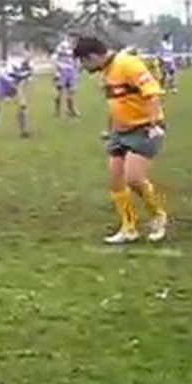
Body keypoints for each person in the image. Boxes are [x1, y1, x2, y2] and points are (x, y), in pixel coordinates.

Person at [73, 36, 168, 243]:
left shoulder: (128, 64)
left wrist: (153, 126)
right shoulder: (106, 71)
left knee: (133, 178)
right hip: (120, 131)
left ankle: (158, 216)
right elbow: (115, 103)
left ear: (93, 56)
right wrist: (110, 129)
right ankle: (129, 227)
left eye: (83, 61)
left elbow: (152, 94)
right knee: (116, 181)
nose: (83, 67)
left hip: (143, 129)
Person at [0, 52, 33, 137]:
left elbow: (24, 82)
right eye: (26, 58)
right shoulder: (14, 64)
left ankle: (23, 131)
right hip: (2, 83)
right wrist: (8, 96)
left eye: (29, 59)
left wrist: (20, 93)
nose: (27, 60)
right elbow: (6, 77)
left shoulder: (29, 69)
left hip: (15, 85)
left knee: (22, 106)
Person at [52, 33, 80, 117]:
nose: (74, 39)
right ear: (69, 37)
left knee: (71, 91)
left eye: (76, 37)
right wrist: (57, 70)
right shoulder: (62, 45)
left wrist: (77, 69)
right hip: (62, 70)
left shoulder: (76, 46)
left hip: (72, 70)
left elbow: (76, 59)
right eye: (73, 37)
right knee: (59, 91)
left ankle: (70, 110)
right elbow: (55, 57)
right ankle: (57, 111)